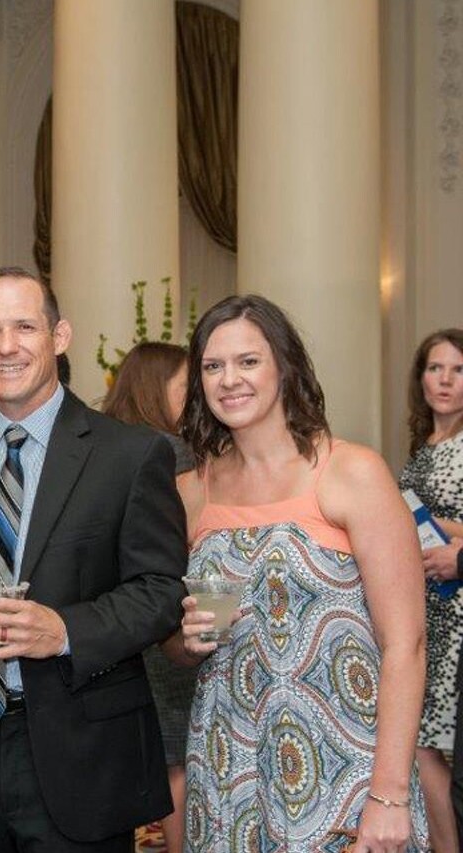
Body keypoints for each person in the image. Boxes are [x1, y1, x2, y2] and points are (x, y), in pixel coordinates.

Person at [0, 266, 188, 852]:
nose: (7, 346)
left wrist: (65, 629)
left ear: (59, 336)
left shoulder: (128, 454)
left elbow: (161, 591)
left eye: (25, 326)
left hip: (84, 755)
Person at [178, 294, 428, 852]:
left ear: (284, 367)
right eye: (212, 366)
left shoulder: (350, 472)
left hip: (346, 761)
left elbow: (405, 644)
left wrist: (387, 794)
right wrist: (189, 642)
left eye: (248, 361)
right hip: (227, 762)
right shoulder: (192, 492)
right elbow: (175, 646)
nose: (229, 380)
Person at [101, 341, 194, 853]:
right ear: (158, 389)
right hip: (168, 621)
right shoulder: (172, 451)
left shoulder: (108, 444)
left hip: (119, 620)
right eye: (187, 388)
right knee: (178, 758)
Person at [399, 329, 463, 852]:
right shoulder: (423, 445)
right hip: (426, 605)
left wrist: (438, 529)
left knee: (432, 747)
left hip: (457, 605)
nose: (444, 380)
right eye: (435, 368)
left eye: (458, 370)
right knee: (424, 746)